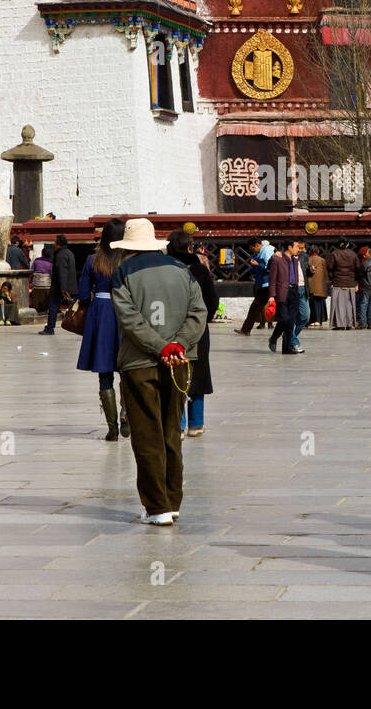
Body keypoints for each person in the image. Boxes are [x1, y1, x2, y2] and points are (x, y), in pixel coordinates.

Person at [109, 218, 207, 525]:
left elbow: (130, 319)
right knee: (171, 433)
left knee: (147, 435)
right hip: (179, 361)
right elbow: (199, 312)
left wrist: (159, 346)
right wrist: (177, 344)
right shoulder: (183, 271)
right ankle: (173, 501)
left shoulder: (122, 273)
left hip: (140, 363)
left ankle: (157, 507)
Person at [77, 217, 130, 441]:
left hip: (100, 312)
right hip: (125, 312)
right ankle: (126, 417)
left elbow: (82, 294)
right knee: (127, 370)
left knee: (105, 374)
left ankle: (112, 428)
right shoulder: (128, 260)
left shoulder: (92, 260)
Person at [167, 230, 218, 438]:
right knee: (197, 374)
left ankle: (178, 425)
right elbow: (212, 301)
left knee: (175, 373)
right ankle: (196, 424)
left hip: (171, 328)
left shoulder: (165, 268)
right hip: (197, 328)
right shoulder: (199, 269)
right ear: (189, 247)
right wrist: (202, 320)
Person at [268, 239, 306, 354]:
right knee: (284, 319)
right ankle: (273, 338)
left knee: (291, 322)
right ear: (289, 247)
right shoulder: (277, 259)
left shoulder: (295, 260)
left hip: (294, 291)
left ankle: (286, 348)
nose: (298, 249)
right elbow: (272, 278)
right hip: (282, 293)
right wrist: (271, 295)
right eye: (296, 247)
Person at [234, 239, 274, 335]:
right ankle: (245, 330)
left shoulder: (266, 251)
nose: (253, 251)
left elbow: (271, 267)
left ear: (256, 245)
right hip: (263, 284)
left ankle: (246, 330)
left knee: (256, 307)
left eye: (252, 249)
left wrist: (258, 264)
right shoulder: (261, 252)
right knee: (255, 308)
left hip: (268, 284)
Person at [40, 234, 77, 335]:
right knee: (73, 307)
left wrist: (63, 289)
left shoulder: (61, 255)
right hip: (69, 285)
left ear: (58, 244)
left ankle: (50, 328)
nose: (54, 244)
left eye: (55, 242)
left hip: (60, 287)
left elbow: (62, 272)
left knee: (53, 307)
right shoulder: (69, 253)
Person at [327, 240, 360, 329]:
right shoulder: (353, 254)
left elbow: (330, 267)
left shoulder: (334, 253)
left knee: (338, 305)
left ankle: (340, 324)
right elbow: (358, 268)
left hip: (338, 282)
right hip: (350, 282)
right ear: (348, 244)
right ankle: (349, 323)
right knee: (349, 304)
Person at [306, 246, 329, 326]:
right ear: (318, 251)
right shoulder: (322, 260)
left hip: (310, 285)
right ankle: (319, 320)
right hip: (320, 286)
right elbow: (326, 273)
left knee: (311, 304)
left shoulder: (307, 260)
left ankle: (312, 320)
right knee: (319, 303)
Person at [30, 245, 54, 314]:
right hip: (47, 284)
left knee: (36, 300)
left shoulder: (36, 261)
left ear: (42, 253)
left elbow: (32, 271)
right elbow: (52, 273)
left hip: (37, 284)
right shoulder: (50, 262)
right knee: (46, 300)